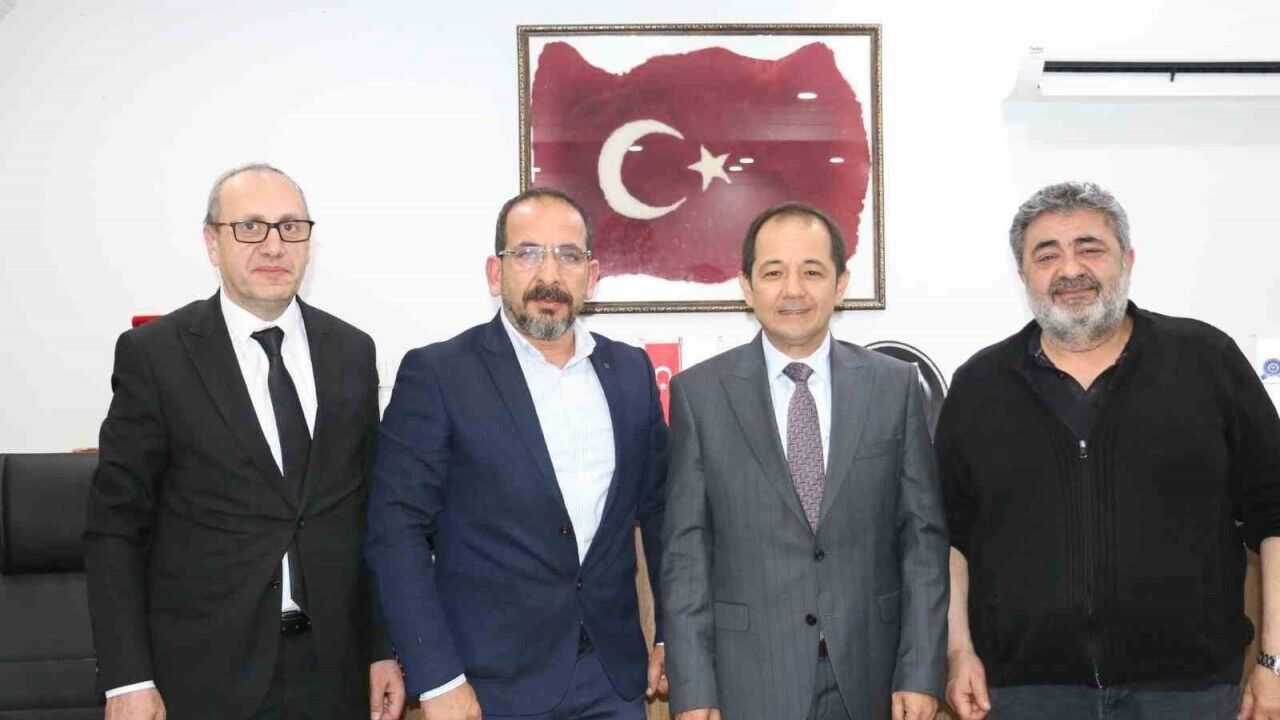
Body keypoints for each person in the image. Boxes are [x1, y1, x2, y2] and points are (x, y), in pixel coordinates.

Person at [939, 180, 1280, 720]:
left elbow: (1273, 515)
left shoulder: (1207, 361)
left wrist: (1274, 661)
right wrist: (958, 652)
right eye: (1046, 254)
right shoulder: (979, 385)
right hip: (1025, 695)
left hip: (1190, 695)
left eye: (1090, 248)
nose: (1070, 269)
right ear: (1023, 275)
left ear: (1128, 260)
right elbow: (950, 538)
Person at [84, 163, 403, 720]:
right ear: (213, 242)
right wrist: (126, 678)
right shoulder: (155, 356)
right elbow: (116, 528)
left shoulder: (352, 351)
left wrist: (382, 648)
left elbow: (368, 515)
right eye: (250, 227)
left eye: (291, 227)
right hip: (202, 675)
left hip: (335, 671)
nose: (274, 245)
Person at [366, 187, 668, 720]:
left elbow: (664, 514)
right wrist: (437, 678)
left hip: (612, 680)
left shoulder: (630, 372)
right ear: (495, 272)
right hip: (485, 688)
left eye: (568, 256)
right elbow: (396, 530)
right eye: (528, 253)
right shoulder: (439, 375)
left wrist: (669, 633)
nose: (549, 274)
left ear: (592, 276)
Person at [661, 202, 949, 720]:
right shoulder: (699, 395)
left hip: (873, 675)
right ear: (747, 287)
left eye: (812, 272)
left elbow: (923, 543)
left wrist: (921, 670)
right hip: (747, 679)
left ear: (841, 285)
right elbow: (686, 557)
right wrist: (694, 688)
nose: (793, 290)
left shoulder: (894, 386)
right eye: (773, 272)